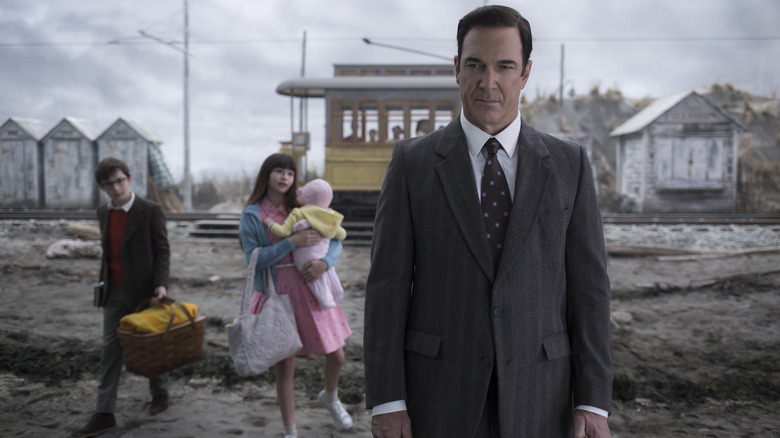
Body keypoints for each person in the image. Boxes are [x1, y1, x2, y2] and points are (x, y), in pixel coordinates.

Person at [364, 5, 613, 438]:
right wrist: (388, 400)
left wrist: (592, 400)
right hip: (438, 395)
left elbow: (590, 289)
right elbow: (386, 288)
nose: (488, 82)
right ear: (457, 68)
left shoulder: (569, 164)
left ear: (526, 72)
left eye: (505, 66)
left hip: (541, 396)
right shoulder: (412, 163)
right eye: (476, 64)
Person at [239, 153, 353, 438]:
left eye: (290, 173)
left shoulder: (303, 205)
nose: (284, 178)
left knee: (337, 355)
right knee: (285, 366)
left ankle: (330, 397)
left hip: (313, 288)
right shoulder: (252, 214)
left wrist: (325, 263)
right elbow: (254, 260)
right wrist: (290, 242)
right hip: (278, 295)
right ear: (267, 175)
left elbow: (334, 239)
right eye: (279, 171)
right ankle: (290, 432)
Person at [73, 157, 171, 437]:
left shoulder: (150, 210)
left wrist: (161, 286)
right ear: (102, 188)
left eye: (120, 181)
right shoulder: (103, 212)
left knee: (151, 346)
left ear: (128, 178)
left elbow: (162, 250)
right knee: (110, 351)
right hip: (114, 293)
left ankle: (160, 394)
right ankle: (104, 413)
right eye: (109, 184)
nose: (116, 188)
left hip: (146, 293)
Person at [263, 178, 347, 309]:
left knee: (314, 281)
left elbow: (282, 231)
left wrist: (270, 223)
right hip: (321, 255)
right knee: (328, 276)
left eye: (290, 173)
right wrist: (327, 233)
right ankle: (335, 294)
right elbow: (341, 236)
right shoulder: (329, 215)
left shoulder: (299, 212)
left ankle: (326, 300)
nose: (285, 177)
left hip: (303, 258)